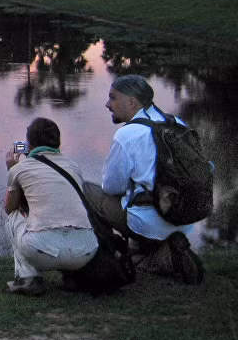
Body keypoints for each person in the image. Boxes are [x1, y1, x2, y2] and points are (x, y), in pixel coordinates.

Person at [83, 74, 204, 284]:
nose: (107, 104)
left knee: (85, 190)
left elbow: (111, 187)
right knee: (141, 194)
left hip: (147, 224)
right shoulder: (177, 124)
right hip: (184, 218)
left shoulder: (127, 134)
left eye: (113, 98)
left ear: (131, 101)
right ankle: (167, 254)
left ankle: (109, 256)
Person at [3, 117, 99, 296]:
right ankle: (73, 277)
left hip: (42, 251)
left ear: (29, 144)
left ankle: (28, 278)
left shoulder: (20, 169)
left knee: (14, 217)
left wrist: (12, 170)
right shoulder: (73, 166)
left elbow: (10, 208)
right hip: (86, 250)